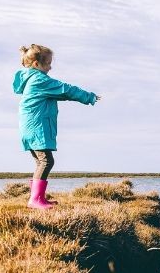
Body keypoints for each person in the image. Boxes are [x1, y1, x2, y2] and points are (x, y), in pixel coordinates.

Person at [13, 44, 100, 209]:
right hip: (37, 127)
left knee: (41, 162)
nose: (50, 67)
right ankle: (35, 199)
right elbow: (65, 90)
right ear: (37, 65)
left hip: (30, 128)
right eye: (47, 63)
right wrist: (89, 97)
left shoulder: (31, 79)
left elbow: (61, 94)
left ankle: (39, 198)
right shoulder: (39, 80)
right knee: (46, 161)